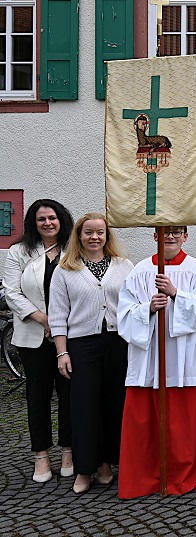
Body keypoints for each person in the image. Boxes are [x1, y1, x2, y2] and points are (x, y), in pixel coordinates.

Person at [116, 226, 196, 497]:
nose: (170, 237)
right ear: (155, 237)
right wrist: (148, 309)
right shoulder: (139, 271)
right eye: (165, 233)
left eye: (176, 232)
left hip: (186, 357)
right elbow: (123, 315)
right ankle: (148, 474)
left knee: (185, 419)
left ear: (186, 236)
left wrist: (176, 293)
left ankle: (191, 471)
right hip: (149, 357)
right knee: (147, 420)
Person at [49, 212, 134, 494]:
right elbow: (57, 315)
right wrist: (62, 353)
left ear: (107, 235)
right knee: (84, 408)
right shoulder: (65, 269)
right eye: (88, 232)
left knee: (114, 404)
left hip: (118, 343)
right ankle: (84, 469)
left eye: (100, 232)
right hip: (82, 345)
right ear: (79, 235)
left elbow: (133, 304)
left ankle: (107, 464)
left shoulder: (124, 266)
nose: (94, 237)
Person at [2, 199, 75, 483]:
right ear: (33, 223)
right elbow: (12, 292)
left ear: (61, 220)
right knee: (37, 396)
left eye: (52, 218)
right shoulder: (19, 252)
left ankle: (69, 450)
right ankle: (41, 455)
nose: (47, 223)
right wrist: (44, 319)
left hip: (70, 335)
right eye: (41, 219)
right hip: (33, 335)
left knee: (69, 395)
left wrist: (60, 324)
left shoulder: (74, 249)